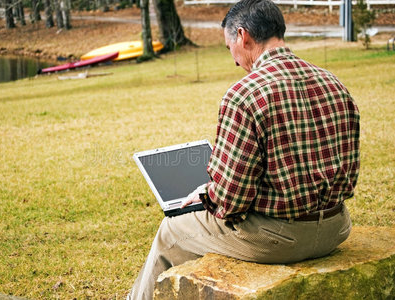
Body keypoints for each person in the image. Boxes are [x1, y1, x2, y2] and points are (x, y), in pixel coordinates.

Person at [129, 0, 360, 298]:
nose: (235, 61)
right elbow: (349, 175)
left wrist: (207, 193)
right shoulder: (334, 83)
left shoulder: (243, 95)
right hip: (336, 227)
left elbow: (232, 201)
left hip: (280, 238)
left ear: (242, 36)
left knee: (171, 231)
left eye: (230, 48)